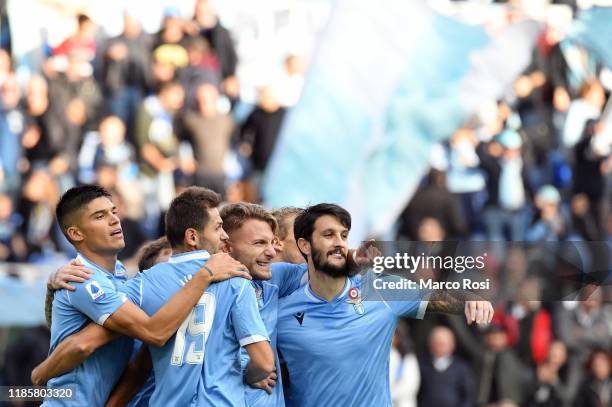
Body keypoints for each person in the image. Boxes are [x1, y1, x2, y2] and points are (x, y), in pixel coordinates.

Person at [32, 185, 248, 406]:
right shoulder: (84, 279)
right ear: (76, 233)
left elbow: (137, 364)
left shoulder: (119, 274)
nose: (114, 220)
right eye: (100, 216)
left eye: (113, 212)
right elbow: (151, 333)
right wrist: (37, 376)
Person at [276, 203, 493, 407]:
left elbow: (440, 298)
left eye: (343, 235)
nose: (339, 243)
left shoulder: (380, 291)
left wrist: (471, 299)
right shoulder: (282, 312)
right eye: (328, 235)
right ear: (304, 245)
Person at [417, 326, 475, 407]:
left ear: (452, 345)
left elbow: (468, 396)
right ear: (430, 344)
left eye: (443, 344)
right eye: (437, 343)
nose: (440, 347)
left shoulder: (461, 368)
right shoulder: (421, 366)